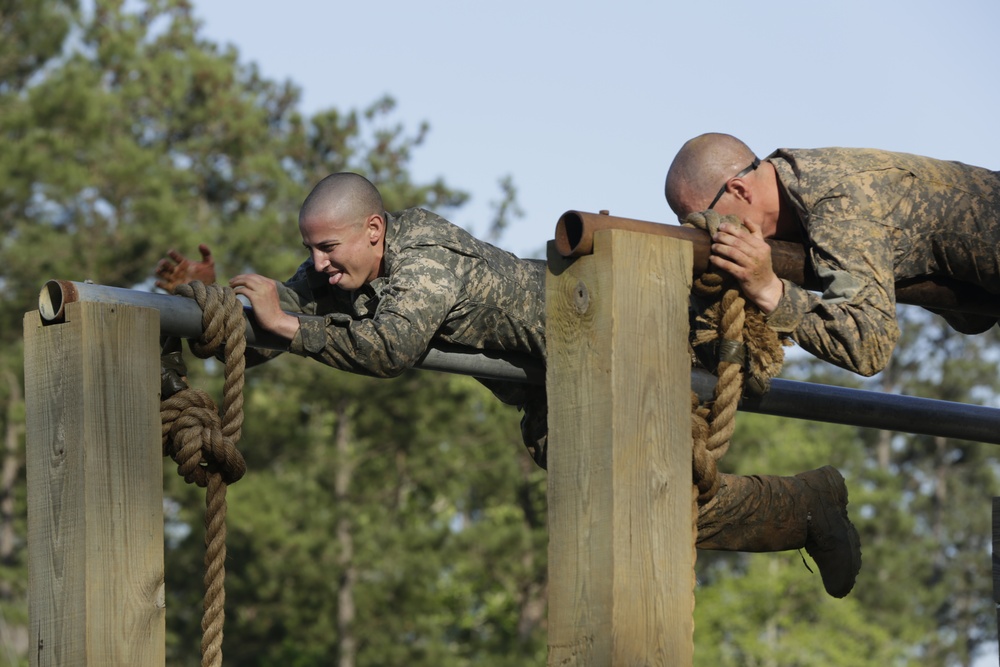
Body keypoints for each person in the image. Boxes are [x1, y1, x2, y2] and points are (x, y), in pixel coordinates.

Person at [156, 172, 861, 597]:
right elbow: (287, 318)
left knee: (659, 507)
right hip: (556, 393)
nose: (317, 264)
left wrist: (287, 325)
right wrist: (208, 314)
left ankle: (810, 506)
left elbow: (388, 349)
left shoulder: (423, 255)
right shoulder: (346, 263)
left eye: (328, 249)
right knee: (650, 513)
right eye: (310, 249)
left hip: (611, 353)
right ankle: (807, 507)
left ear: (373, 230)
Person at [664, 132, 1000, 377]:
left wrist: (770, 290)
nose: (706, 231)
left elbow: (868, 344)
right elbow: (974, 317)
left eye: (707, 217)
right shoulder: (796, 180)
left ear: (738, 189)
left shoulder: (838, 206)